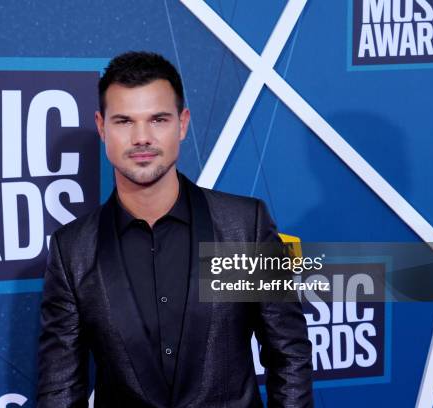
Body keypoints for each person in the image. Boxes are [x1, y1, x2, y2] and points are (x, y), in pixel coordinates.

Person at [37, 51, 312, 408]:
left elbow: (289, 355)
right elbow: (59, 389)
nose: (141, 138)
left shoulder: (245, 227)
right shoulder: (72, 250)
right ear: (102, 127)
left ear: (182, 124)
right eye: (124, 121)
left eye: (158, 120)